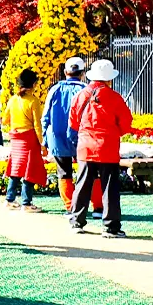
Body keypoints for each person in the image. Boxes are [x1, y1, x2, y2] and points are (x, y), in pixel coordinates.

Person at [68, 59, 133, 238]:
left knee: (82, 185)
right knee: (109, 188)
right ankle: (111, 227)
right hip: (108, 147)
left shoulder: (81, 95)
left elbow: (73, 122)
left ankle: (76, 221)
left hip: (85, 147)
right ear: (109, 79)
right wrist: (114, 132)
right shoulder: (114, 97)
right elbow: (126, 124)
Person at [42, 57, 104, 215]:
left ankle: (71, 208)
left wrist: (44, 138)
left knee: (64, 173)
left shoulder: (54, 90)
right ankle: (97, 206)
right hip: (82, 137)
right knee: (92, 172)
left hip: (57, 138)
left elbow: (45, 117)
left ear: (65, 72)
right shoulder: (86, 90)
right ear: (83, 74)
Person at [2, 69, 47, 213]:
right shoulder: (33, 100)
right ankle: (26, 203)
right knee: (29, 169)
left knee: (15, 168)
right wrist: (42, 143)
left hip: (16, 139)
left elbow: (5, 120)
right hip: (29, 139)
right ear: (34, 84)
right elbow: (37, 125)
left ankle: (9, 199)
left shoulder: (13, 99)